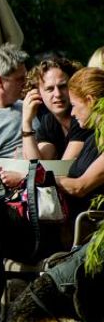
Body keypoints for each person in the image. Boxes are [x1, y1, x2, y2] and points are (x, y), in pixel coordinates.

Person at [56, 68, 104, 220]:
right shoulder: (94, 138)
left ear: (90, 100)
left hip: (89, 228)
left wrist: (36, 177)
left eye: (75, 105)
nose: (72, 113)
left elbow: (80, 187)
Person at [21, 56, 89, 162]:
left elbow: (64, 169)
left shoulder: (82, 117)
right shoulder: (49, 121)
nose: (57, 94)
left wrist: (22, 175)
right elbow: (37, 164)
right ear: (37, 93)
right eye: (50, 89)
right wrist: (26, 122)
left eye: (62, 86)